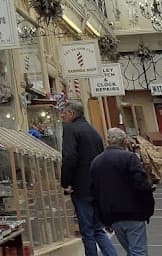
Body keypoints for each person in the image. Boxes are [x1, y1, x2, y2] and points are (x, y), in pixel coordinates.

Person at [60, 100, 117, 256]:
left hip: (81, 187)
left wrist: (66, 182)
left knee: (87, 231)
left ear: (72, 113)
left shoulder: (70, 129)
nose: (62, 116)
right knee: (98, 229)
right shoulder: (93, 131)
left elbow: (70, 157)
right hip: (96, 186)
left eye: (64, 113)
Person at [90, 127, 155, 256]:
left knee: (131, 250)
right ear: (125, 141)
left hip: (113, 215)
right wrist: (148, 210)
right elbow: (142, 185)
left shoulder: (96, 162)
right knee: (138, 251)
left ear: (107, 141)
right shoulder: (129, 158)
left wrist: (104, 219)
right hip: (134, 211)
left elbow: (94, 193)